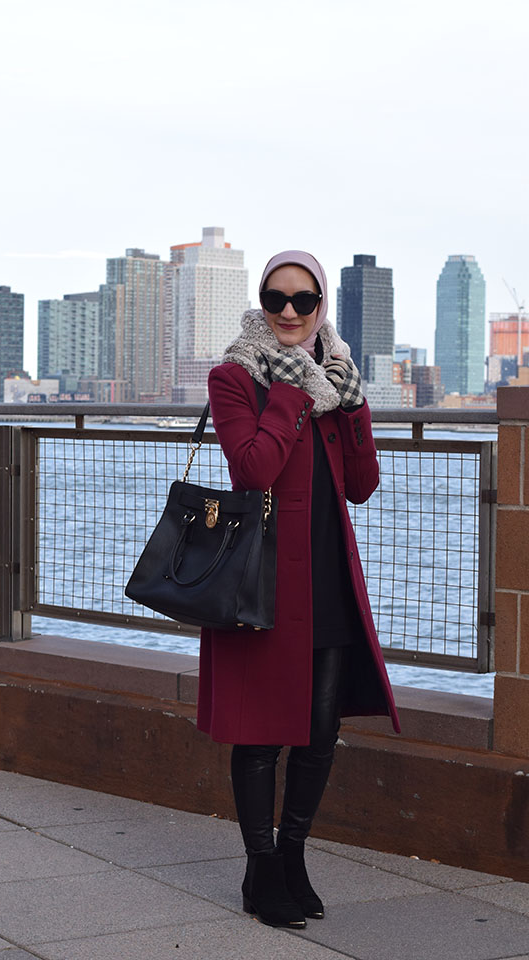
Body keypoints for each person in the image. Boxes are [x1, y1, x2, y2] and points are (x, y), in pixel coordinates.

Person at [197, 250, 400, 929]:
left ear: (320, 307)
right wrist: (292, 393)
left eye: (303, 300)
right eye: (276, 299)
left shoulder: (335, 380)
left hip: (328, 577)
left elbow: (362, 486)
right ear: (261, 303)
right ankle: (260, 869)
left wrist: (353, 403)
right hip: (262, 582)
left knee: (319, 733)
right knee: (261, 735)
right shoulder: (234, 377)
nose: (288, 312)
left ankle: (292, 856)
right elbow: (253, 469)